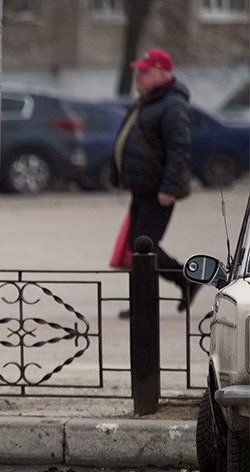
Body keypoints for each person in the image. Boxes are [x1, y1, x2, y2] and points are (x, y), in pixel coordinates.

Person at [111, 48, 199, 318]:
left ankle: (185, 279)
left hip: (157, 190)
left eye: (144, 72)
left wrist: (169, 188)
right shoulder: (148, 102)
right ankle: (143, 303)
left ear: (161, 73)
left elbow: (179, 148)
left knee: (143, 245)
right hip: (142, 188)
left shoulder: (171, 104)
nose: (138, 77)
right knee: (138, 247)